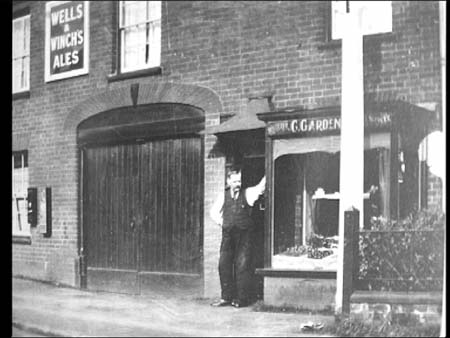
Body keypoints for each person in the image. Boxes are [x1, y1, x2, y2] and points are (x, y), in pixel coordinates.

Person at [209, 165, 266, 308]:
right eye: (234, 181)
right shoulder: (223, 195)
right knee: (223, 264)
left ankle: (242, 299)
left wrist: (268, 173)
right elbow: (213, 212)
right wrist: (223, 223)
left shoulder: (247, 193)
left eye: (239, 181)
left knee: (242, 265)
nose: (237, 184)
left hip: (244, 235)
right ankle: (226, 297)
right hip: (228, 235)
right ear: (228, 182)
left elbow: (260, 188)